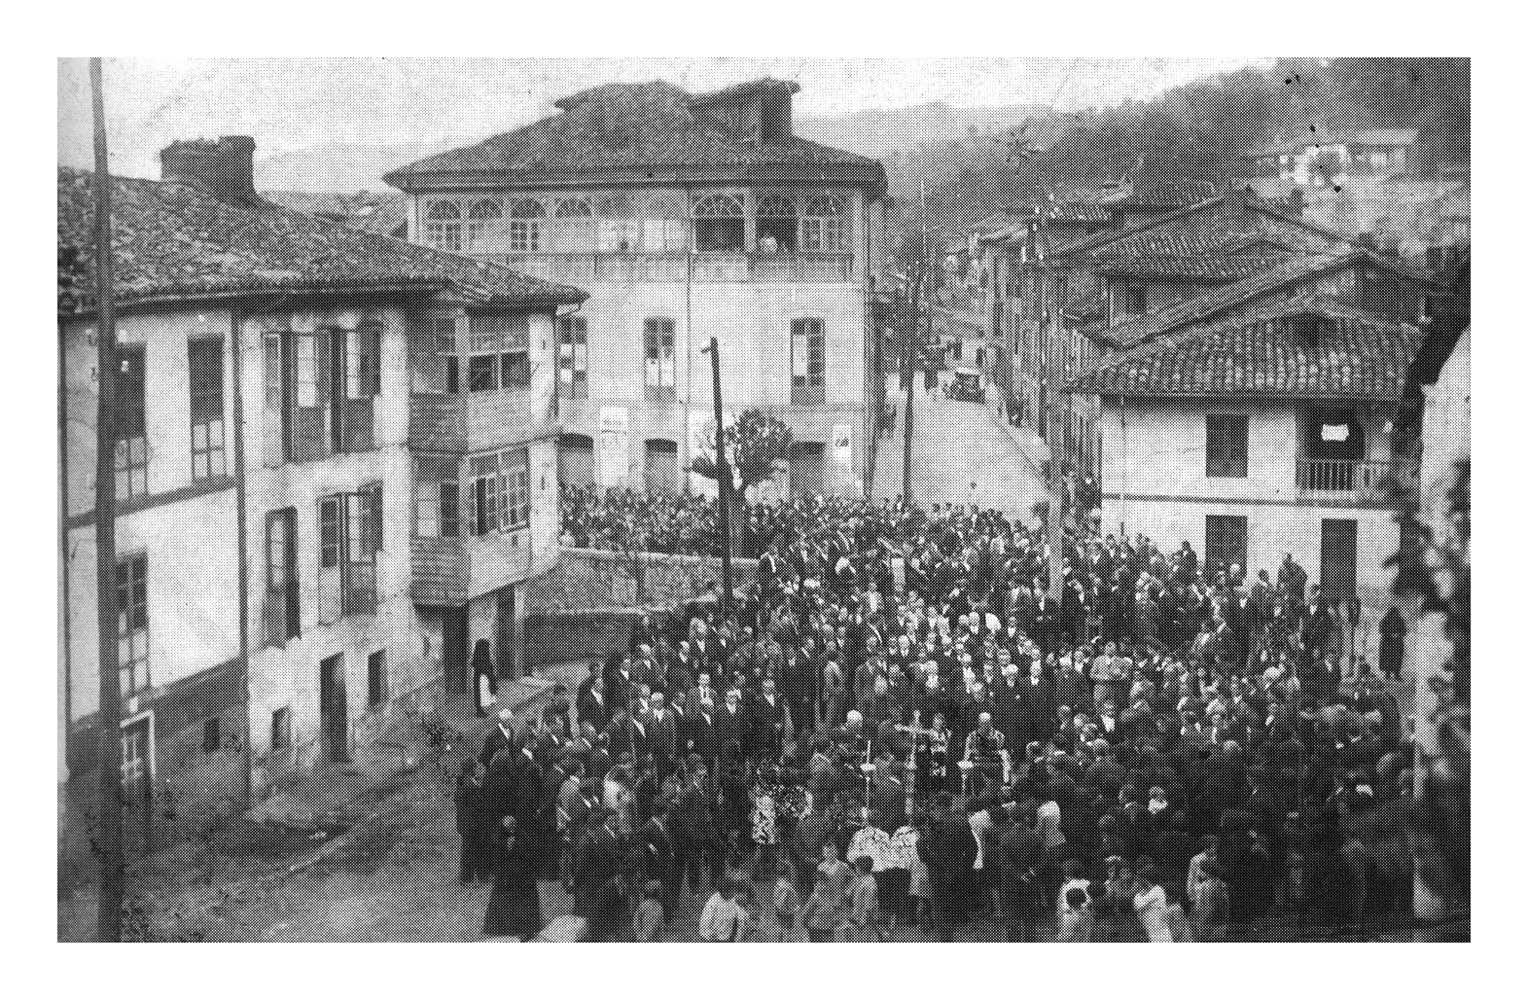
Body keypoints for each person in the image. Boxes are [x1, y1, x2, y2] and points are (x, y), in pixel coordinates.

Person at [483, 816, 544, 940]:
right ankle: (503, 927)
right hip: (505, 875)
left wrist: (516, 847)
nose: (511, 830)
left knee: (524, 903)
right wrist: (506, 847)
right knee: (504, 902)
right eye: (508, 827)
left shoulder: (522, 836)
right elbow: (495, 858)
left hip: (522, 874)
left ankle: (526, 928)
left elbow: (529, 853)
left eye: (513, 826)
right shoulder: (497, 838)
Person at [455, 760, 490, 885]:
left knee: (470, 849)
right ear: (471, 769)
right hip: (471, 824)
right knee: (469, 851)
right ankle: (466, 879)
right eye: (475, 767)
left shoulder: (463, 782)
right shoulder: (470, 785)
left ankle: (473, 876)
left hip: (466, 823)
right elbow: (478, 804)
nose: (477, 769)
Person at [698, 877, 749, 942]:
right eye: (731, 892)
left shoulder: (733, 899)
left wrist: (746, 917)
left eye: (733, 891)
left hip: (728, 933)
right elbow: (705, 919)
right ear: (722, 892)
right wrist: (708, 933)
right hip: (714, 936)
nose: (733, 894)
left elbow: (739, 911)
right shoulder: (713, 902)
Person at [1132, 863, 1174, 943]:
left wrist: (1138, 897)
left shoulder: (1158, 890)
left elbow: (1139, 905)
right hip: (1149, 933)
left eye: (1140, 879)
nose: (1137, 882)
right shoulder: (1140, 895)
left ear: (1145, 879)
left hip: (1161, 933)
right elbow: (1137, 908)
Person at [848, 855, 882, 941]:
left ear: (860, 868)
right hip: (858, 916)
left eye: (856, 867)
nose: (855, 869)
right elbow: (850, 894)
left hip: (865, 919)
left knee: (864, 939)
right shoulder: (862, 879)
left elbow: (869, 907)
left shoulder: (870, 884)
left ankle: (881, 935)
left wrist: (863, 921)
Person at [772, 858, 802, 942]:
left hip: (780, 911)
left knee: (781, 929)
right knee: (787, 931)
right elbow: (782, 903)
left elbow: (777, 900)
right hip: (786, 912)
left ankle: (781, 941)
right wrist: (793, 909)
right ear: (788, 873)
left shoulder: (779, 883)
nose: (793, 874)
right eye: (791, 872)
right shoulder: (785, 887)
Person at [802, 877, 839, 942]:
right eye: (821, 884)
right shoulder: (815, 897)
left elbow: (833, 910)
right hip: (817, 928)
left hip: (828, 927)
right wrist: (805, 923)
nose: (824, 886)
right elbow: (806, 912)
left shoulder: (828, 896)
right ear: (815, 885)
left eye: (825, 884)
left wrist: (834, 919)